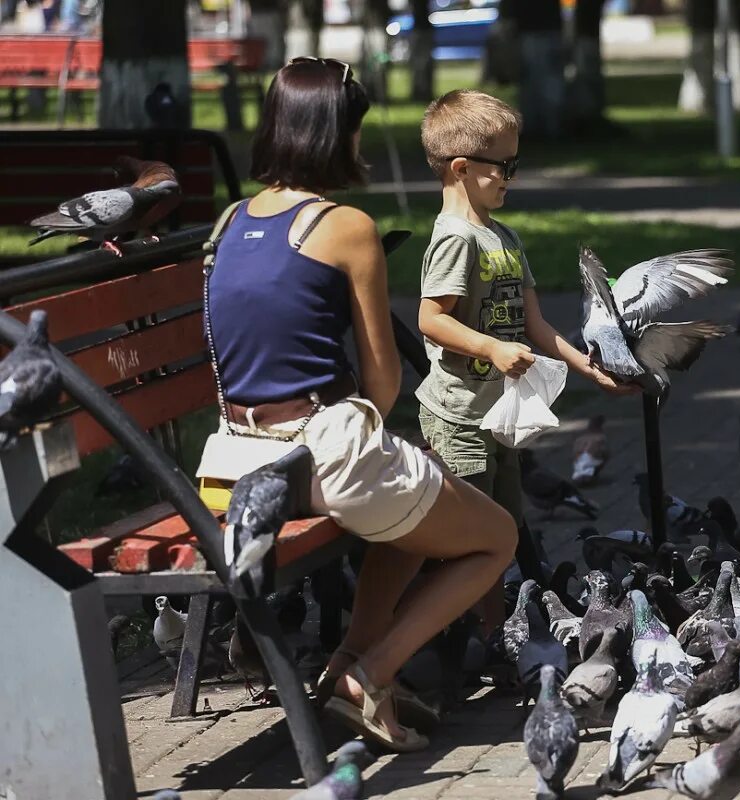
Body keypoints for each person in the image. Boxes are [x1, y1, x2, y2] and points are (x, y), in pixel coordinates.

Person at [206, 59, 517, 753]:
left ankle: (345, 664)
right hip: (319, 460)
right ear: (336, 134)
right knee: (496, 536)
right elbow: (382, 386)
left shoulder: (230, 220)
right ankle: (371, 673)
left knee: (419, 477)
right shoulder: (346, 225)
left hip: (233, 458)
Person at [415, 89, 635, 640]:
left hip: (499, 415)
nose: (512, 176)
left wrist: (590, 367)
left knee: (503, 528)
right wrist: (489, 348)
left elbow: (536, 325)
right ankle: (469, 633)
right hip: (460, 416)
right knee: (470, 533)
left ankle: (493, 630)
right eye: (504, 166)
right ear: (462, 168)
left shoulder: (504, 237)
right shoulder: (455, 240)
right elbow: (430, 319)